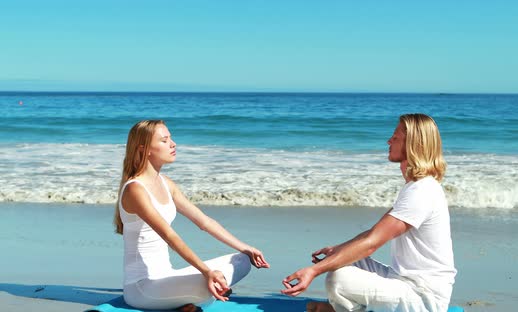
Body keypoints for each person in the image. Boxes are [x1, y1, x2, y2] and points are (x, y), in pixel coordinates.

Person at [281, 113, 457, 312]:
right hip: (402, 281)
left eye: (396, 137)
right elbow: (371, 234)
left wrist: (313, 271)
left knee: (339, 279)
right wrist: (339, 249)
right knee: (347, 259)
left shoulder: (422, 191)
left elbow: (372, 242)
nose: (389, 141)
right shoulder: (415, 187)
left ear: (414, 145)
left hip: (424, 298)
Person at [114, 120, 270, 311]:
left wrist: (246, 248)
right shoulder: (135, 189)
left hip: (167, 277)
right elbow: (169, 236)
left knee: (243, 261)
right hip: (142, 288)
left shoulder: (165, 183)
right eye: (164, 140)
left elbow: (204, 221)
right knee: (209, 283)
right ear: (145, 149)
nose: (173, 144)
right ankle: (189, 300)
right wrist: (206, 272)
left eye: (170, 138)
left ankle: (185, 302)